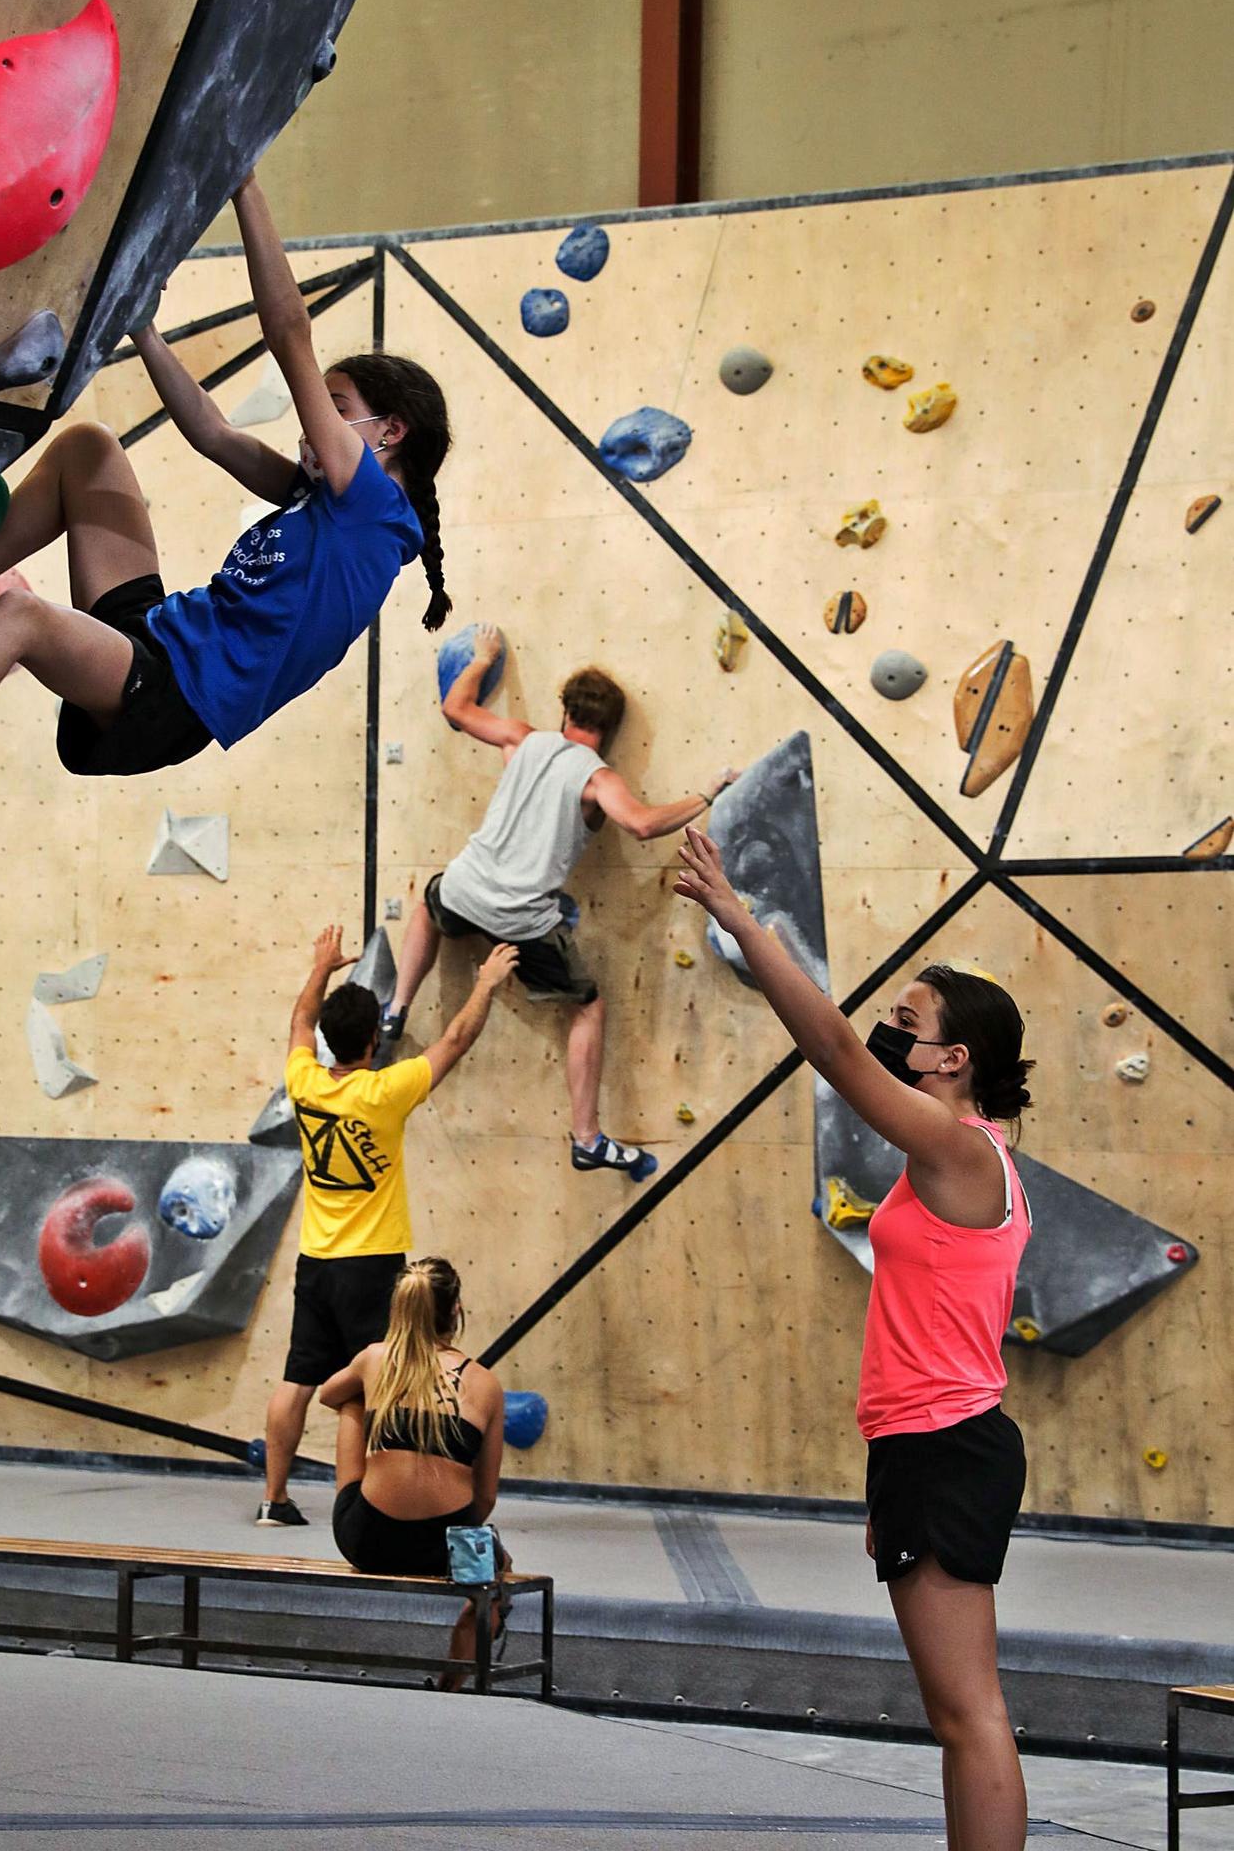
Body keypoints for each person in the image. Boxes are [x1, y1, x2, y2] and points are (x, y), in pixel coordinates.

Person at [0, 172, 453, 820]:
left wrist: (244, 183)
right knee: (89, 450)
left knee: (22, 619)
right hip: (158, 636)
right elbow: (209, 431)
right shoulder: (320, 500)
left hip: (174, 696)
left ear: (388, 431)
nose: (314, 424)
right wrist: (139, 324)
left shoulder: (370, 511)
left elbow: (288, 333)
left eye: (334, 407)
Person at [675, 825, 1035, 1851]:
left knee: (969, 1714)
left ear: (952, 1058)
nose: (885, 1026)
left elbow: (829, 1047)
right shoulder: (966, 1155)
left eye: (905, 1021)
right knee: (954, 1713)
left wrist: (738, 918)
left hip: (945, 1442)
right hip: (921, 1441)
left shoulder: (958, 1147)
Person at [382, 627, 735, 1180]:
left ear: (565, 712)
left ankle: (396, 1008)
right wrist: (708, 794)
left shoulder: (521, 738)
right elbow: (642, 824)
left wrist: (483, 659)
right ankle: (587, 1137)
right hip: (520, 918)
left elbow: (455, 707)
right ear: (610, 728)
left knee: (431, 901)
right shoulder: (596, 777)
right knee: (587, 1005)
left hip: (465, 886)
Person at [258, 925, 517, 1526]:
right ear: (375, 1039)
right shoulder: (386, 1092)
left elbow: (298, 1024)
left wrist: (321, 966)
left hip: (315, 1261)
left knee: (298, 1380)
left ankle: (274, 1500)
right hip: (373, 1265)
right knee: (389, 1383)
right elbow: (454, 1039)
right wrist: (484, 983)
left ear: (328, 1040)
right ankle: (385, 1498)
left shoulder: (305, 1083)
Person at [321, 1256, 509, 1688]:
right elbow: (485, 1496)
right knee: (496, 1568)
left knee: (352, 1399)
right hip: (441, 1546)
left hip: (364, 1538)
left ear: (402, 1309)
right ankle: (454, 1680)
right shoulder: (484, 1383)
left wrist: (386, 1396)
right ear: (456, 1309)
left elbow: (328, 1395)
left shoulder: (376, 1358)